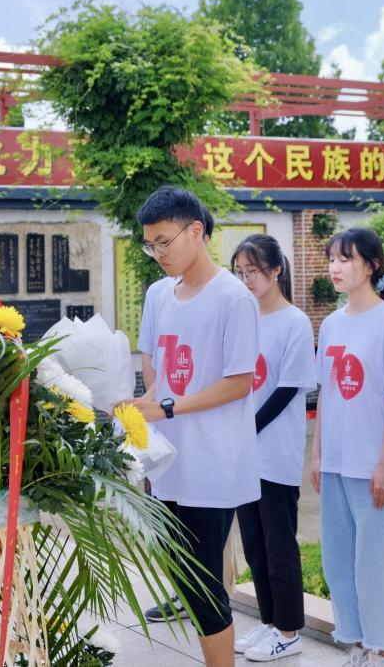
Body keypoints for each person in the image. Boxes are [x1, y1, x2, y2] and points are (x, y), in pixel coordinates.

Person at [128, 186, 261, 667]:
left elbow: (240, 382)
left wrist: (167, 406)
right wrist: (146, 399)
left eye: (164, 242)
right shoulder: (159, 294)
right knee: (182, 578)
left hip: (213, 463)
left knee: (204, 586)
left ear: (196, 231)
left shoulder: (233, 298)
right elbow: (155, 364)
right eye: (151, 246)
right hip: (168, 461)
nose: (158, 254)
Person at [310, 228, 384, 667]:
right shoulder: (332, 324)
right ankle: (358, 644)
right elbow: (326, 392)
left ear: (371, 265)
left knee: (377, 564)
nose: (335, 267)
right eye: (332, 259)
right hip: (335, 463)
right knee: (340, 563)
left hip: (373, 464)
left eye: (346, 259)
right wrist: (317, 454)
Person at [229, 234, 315, 662]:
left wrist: (247, 428)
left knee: (280, 545)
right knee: (254, 544)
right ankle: (268, 623)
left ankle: (289, 630)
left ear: (276, 270)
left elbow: (286, 389)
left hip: (275, 453)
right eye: (240, 273)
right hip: (243, 453)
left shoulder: (295, 322)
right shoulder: (244, 318)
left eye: (254, 272)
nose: (247, 280)